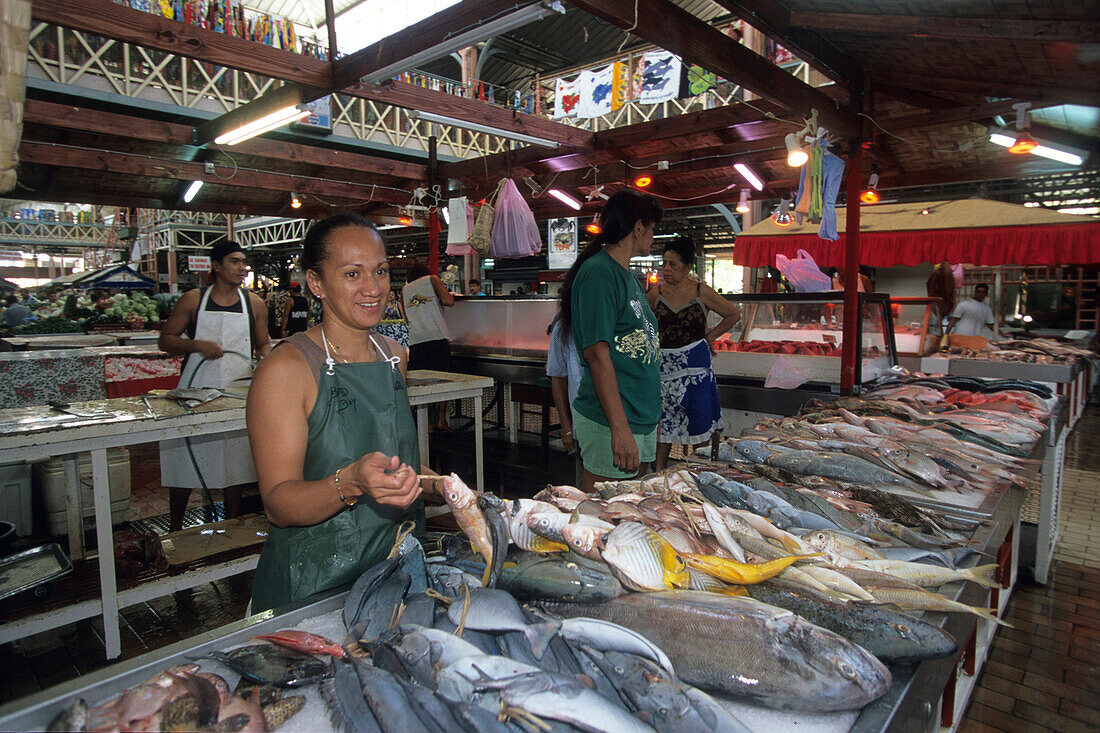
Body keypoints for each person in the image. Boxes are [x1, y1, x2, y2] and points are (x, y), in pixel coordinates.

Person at [246, 214, 442, 613]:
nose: (373, 289)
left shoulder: (394, 356)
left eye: (381, 271)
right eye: (353, 274)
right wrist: (351, 481)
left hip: (393, 573)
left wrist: (445, 489)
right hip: (312, 587)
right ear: (315, 282)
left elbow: (396, 466)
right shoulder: (286, 369)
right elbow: (279, 504)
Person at [158, 241, 271, 532]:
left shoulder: (254, 303)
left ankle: (230, 525)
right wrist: (196, 345)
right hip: (195, 393)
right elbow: (166, 339)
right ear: (216, 265)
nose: (241, 268)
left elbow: (263, 345)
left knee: (234, 461)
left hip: (238, 392)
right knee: (183, 459)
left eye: (243, 262)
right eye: (234, 261)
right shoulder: (193, 300)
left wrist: (270, 369)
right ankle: (174, 528)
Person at [561, 189, 663, 492]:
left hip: (638, 415)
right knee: (601, 519)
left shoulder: (627, 276)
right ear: (638, 227)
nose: (653, 237)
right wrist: (620, 429)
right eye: (653, 229)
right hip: (611, 420)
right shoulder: (599, 274)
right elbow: (597, 355)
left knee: (629, 514)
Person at [647, 237, 741, 470]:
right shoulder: (655, 293)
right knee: (664, 425)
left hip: (696, 367)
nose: (666, 270)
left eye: (673, 265)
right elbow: (643, 323)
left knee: (699, 420)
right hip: (664, 367)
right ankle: (658, 475)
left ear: (688, 267)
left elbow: (733, 314)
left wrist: (710, 337)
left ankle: (700, 473)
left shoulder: (702, 291)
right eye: (664, 264)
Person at [402, 261, 455, 430]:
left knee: (421, 383)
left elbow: (405, 318)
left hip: (416, 340)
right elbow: (449, 301)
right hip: (436, 336)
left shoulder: (404, 290)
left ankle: (428, 424)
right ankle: (441, 420)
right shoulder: (432, 280)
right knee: (442, 379)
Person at [546, 312, 583, 485]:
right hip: (582, 425)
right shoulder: (563, 326)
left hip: (623, 424)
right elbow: (557, 377)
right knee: (585, 487)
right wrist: (566, 427)